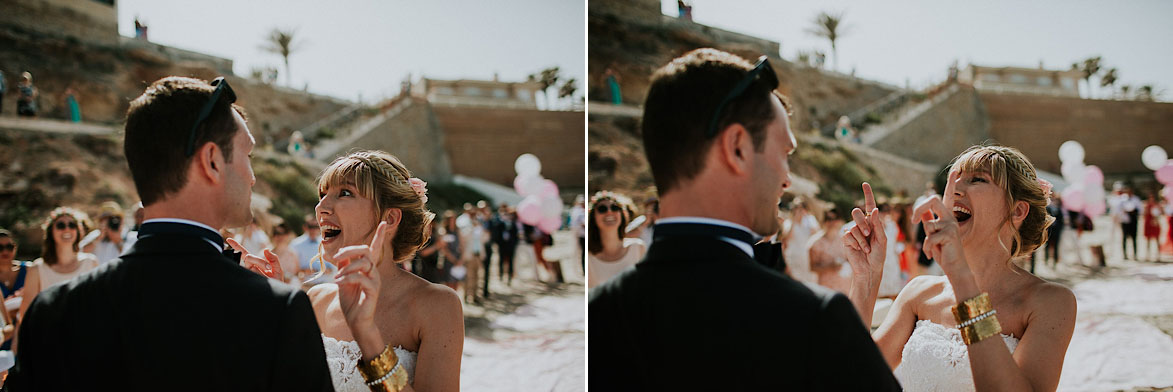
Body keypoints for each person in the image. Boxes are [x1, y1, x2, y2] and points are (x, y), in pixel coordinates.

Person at [589, 49, 899, 390]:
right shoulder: (810, 318)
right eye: (784, 154)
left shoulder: (598, 317)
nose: (787, 180)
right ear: (737, 148)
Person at [5, 76, 333, 390]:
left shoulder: (54, 312)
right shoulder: (277, 312)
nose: (252, 177)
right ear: (212, 161)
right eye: (247, 155)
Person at [844, 145, 1077, 391]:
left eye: (977, 179)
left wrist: (962, 279)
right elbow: (852, 379)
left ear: (1017, 210)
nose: (954, 189)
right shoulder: (919, 294)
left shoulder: (1051, 302)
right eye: (953, 179)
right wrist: (865, 280)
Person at [233, 150, 464, 391]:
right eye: (322, 195)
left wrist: (367, 336)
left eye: (345, 193)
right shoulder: (316, 300)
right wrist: (274, 310)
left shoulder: (437, 305)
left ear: (391, 218)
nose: (320, 207)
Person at [14, 207, 102, 333]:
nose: (67, 229)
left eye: (72, 225)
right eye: (61, 225)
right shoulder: (37, 268)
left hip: (84, 336)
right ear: (51, 232)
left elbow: (98, 306)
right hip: (49, 339)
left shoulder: (91, 262)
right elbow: (26, 315)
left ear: (78, 231)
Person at [586, 192, 646, 289]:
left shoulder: (638, 247)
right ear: (593, 217)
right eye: (602, 209)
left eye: (615, 208)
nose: (609, 212)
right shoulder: (589, 256)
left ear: (622, 214)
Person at [0, 230, 28, 351]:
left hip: (28, 333)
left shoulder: (30, 270)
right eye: (0, 248)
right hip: (4, 339)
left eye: (9, 247)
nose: (5, 251)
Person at [490, 204, 519, 286]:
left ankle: (509, 277)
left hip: (510, 245)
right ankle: (501, 276)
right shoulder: (499, 221)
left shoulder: (512, 222)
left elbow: (515, 234)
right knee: (501, 261)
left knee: (510, 261)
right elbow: (496, 232)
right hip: (502, 245)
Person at [1142, 192, 1163, 261]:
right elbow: (1144, 214)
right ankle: (1147, 255)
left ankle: (1158, 256)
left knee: (1157, 239)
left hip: (1155, 223)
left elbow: (1160, 213)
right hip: (1148, 223)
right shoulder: (1146, 205)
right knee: (1148, 240)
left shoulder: (1157, 205)